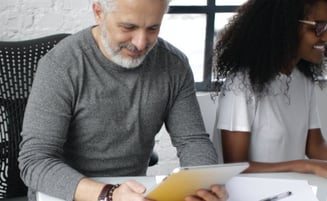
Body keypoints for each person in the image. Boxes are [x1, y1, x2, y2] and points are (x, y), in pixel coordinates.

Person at [18, 0, 229, 200]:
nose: (140, 42)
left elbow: (192, 141)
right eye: (128, 27)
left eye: (153, 28)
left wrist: (201, 185)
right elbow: (35, 161)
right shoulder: (61, 65)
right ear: (99, 13)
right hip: (66, 193)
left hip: (131, 193)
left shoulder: (174, 65)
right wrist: (109, 194)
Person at [213, 0, 327, 187]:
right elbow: (235, 168)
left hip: (290, 193)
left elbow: (315, 147)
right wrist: (307, 166)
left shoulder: (302, 79)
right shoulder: (241, 83)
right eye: (319, 27)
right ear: (285, 26)